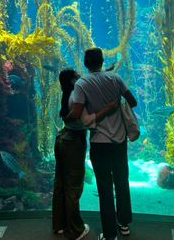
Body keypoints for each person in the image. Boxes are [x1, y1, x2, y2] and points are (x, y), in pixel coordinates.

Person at [69, 48, 138, 240]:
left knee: (105, 187)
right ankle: (123, 224)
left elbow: (76, 114)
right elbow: (132, 101)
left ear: (85, 63)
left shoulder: (82, 84)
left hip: (99, 142)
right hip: (119, 141)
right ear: (102, 61)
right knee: (122, 182)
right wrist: (114, 105)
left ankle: (109, 234)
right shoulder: (115, 78)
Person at [52, 68, 118, 240]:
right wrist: (109, 107)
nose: (80, 76)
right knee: (73, 186)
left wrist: (104, 71)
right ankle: (76, 230)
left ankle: (60, 225)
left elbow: (87, 81)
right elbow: (86, 119)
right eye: (77, 75)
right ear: (73, 80)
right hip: (73, 141)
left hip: (63, 137)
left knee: (60, 183)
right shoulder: (76, 96)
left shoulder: (69, 91)